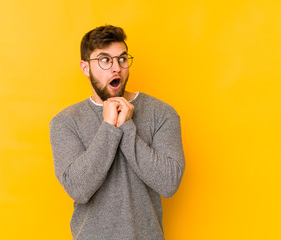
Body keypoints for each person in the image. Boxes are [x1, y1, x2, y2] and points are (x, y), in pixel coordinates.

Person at [49, 25, 185, 240]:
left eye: (122, 59)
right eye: (105, 60)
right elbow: (78, 189)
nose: (116, 68)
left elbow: (169, 183)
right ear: (85, 68)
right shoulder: (65, 122)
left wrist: (126, 128)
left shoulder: (162, 113)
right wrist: (108, 128)